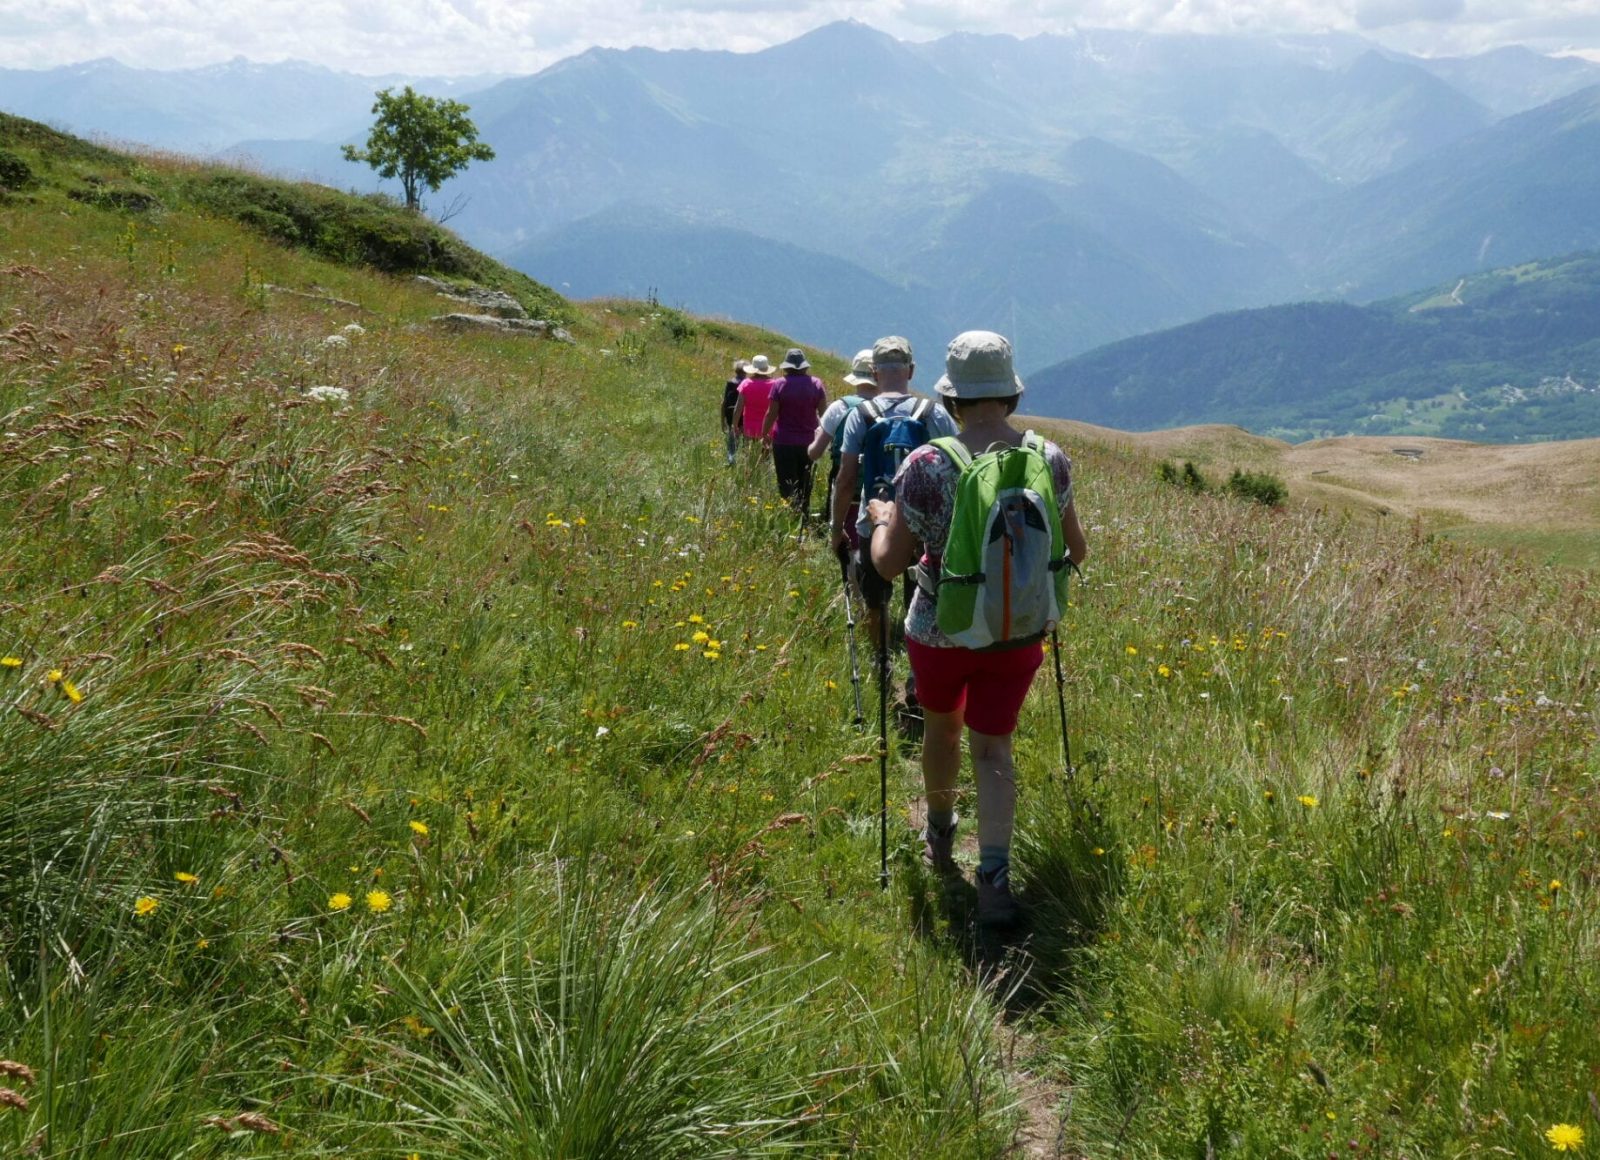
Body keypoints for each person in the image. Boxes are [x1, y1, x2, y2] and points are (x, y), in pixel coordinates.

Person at [864, 330, 1088, 927]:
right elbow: (1078, 551)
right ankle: (995, 876)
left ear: (953, 400)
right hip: (1018, 632)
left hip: (941, 630)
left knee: (942, 734)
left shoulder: (929, 463)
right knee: (994, 749)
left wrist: (883, 518)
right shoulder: (1049, 458)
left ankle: (940, 835)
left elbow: (888, 564)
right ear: (1010, 394)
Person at [830, 336, 957, 707]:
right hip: (925, 528)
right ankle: (918, 682)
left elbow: (846, 478)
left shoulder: (861, 415)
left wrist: (838, 527)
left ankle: (881, 666)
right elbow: (958, 468)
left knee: (876, 601)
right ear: (911, 371)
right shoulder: (933, 414)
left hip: (874, 524)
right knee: (922, 599)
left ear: (873, 372)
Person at [765, 348, 827, 521]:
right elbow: (824, 414)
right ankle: (803, 515)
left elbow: (772, 413)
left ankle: (789, 516)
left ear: (787, 367)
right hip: (809, 442)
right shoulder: (816, 384)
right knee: (805, 481)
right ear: (804, 366)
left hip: (783, 441)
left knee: (786, 481)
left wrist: (764, 435)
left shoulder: (779, 384)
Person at [729, 355, 776, 455]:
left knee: (748, 455)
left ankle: (748, 471)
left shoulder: (746, 383)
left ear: (753, 369)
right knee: (765, 457)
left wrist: (735, 425)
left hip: (749, 427)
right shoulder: (774, 385)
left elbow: (738, 408)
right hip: (769, 427)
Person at [721, 359, 746, 466]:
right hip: (744, 417)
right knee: (746, 444)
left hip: (730, 416)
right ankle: (744, 463)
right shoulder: (746, 383)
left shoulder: (730, 383)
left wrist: (722, 421)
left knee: (732, 444)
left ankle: (731, 461)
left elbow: (724, 403)